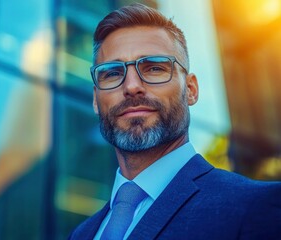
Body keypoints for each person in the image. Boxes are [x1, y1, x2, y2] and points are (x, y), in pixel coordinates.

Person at [68, 3, 281, 240]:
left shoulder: (258, 208)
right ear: (96, 100)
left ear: (190, 90)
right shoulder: (81, 234)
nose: (132, 87)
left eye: (154, 68)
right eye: (113, 73)